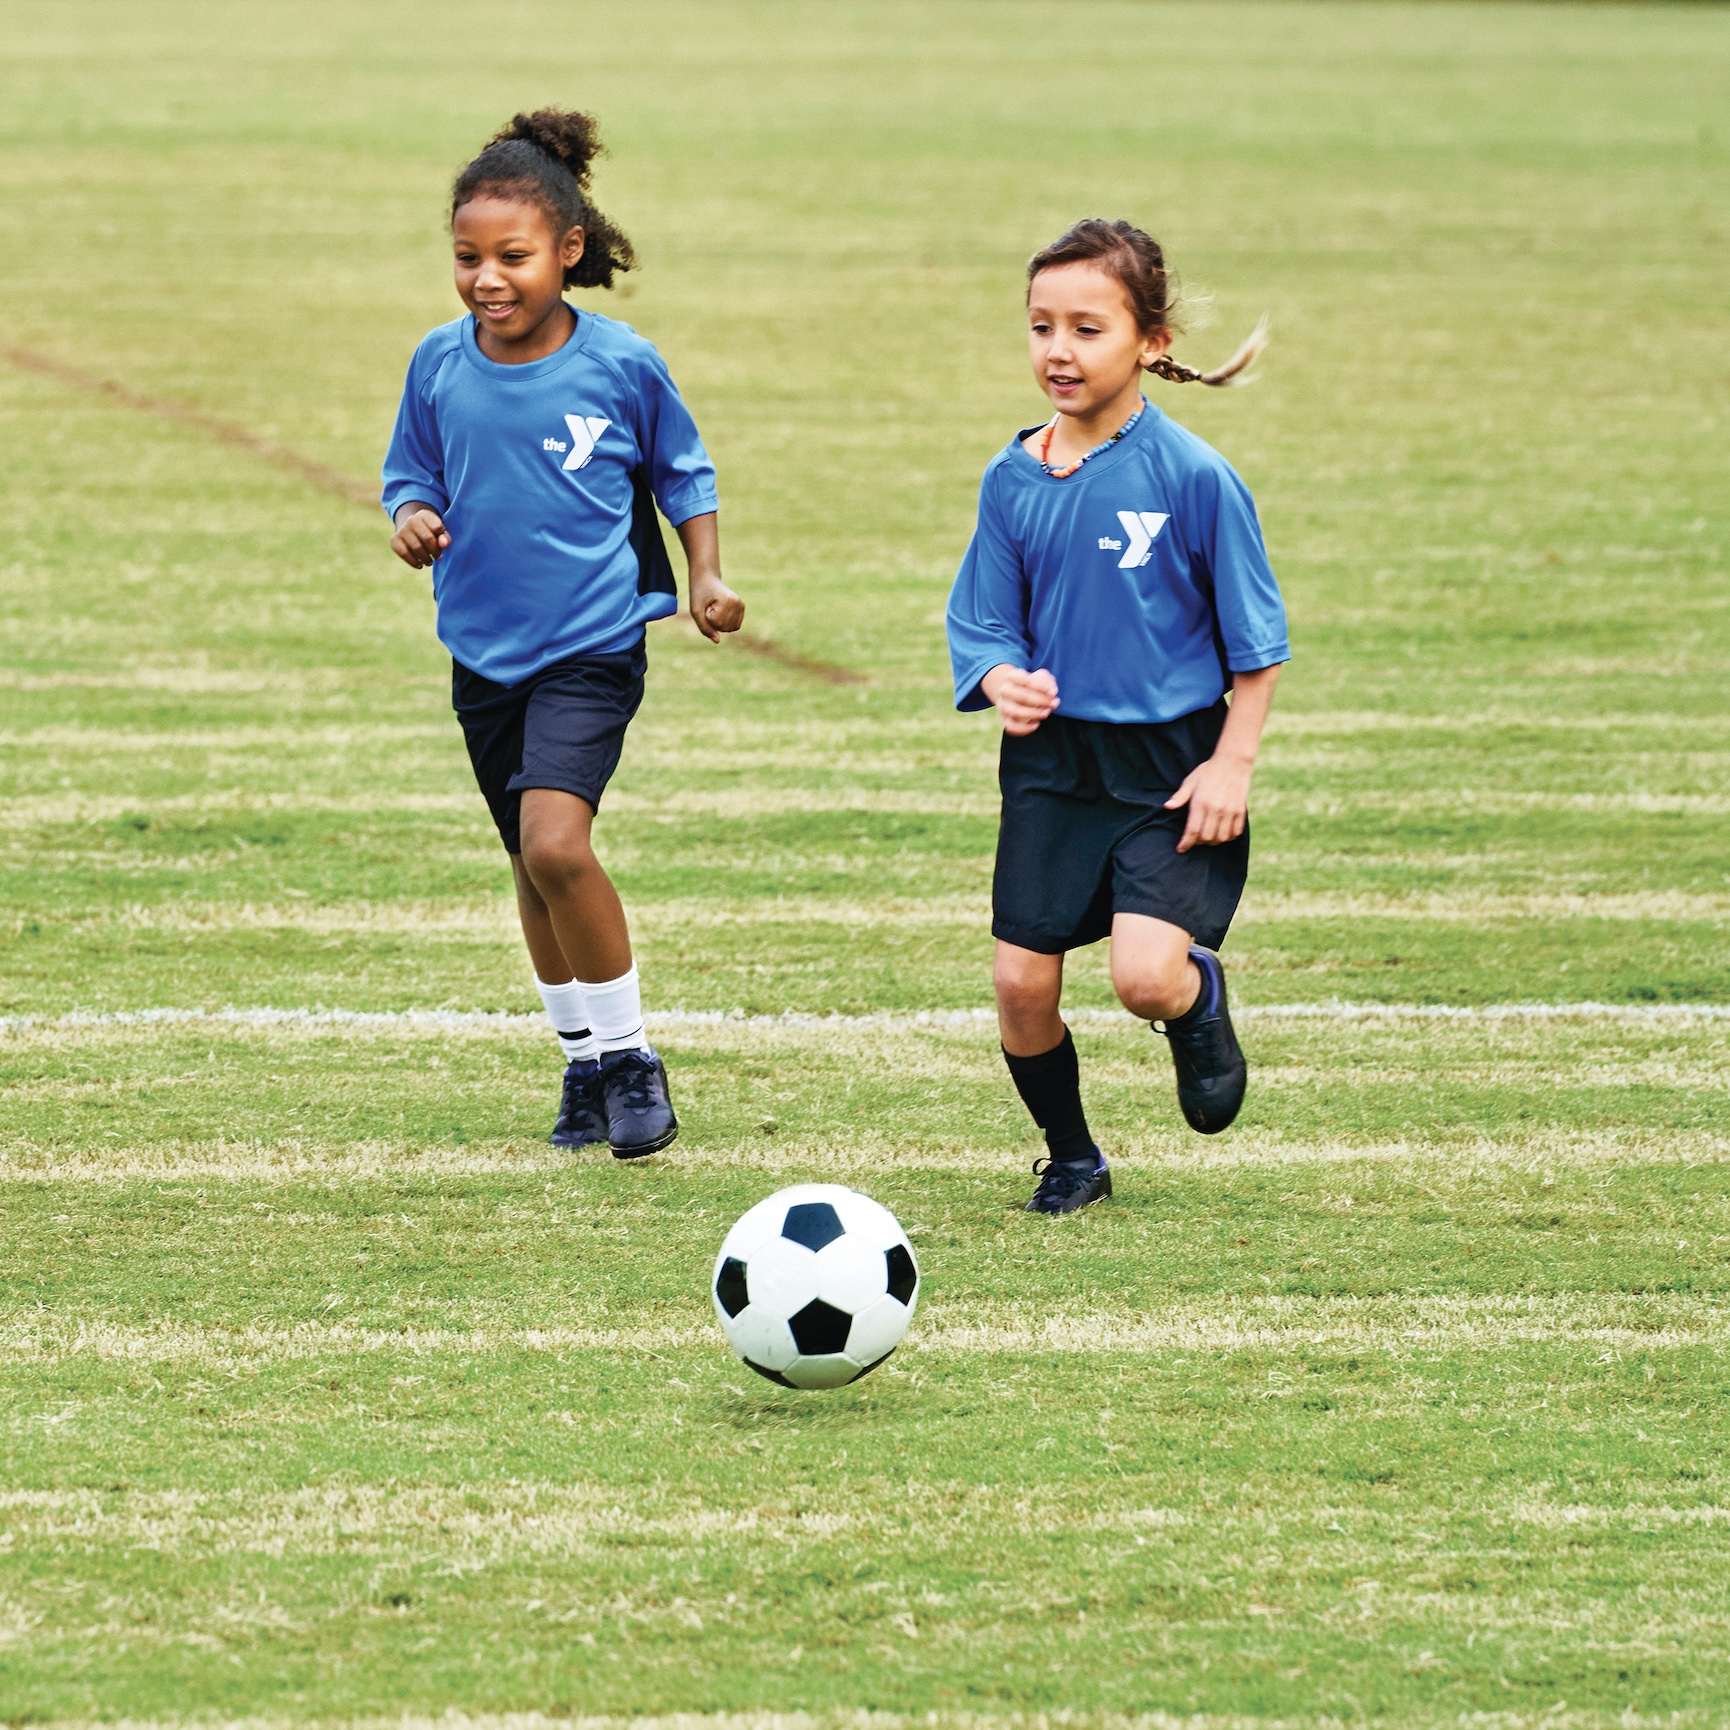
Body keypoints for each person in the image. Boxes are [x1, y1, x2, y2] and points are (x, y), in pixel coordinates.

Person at [381, 109, 744, 1159]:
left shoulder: (620, 365)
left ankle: (632, 1059)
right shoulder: (438, 365)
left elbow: (685, 472)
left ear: (567, 251)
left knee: (556, 843)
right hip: (481, 651)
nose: (486, 278)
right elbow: (411, 469)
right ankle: (580, 1066)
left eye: (512, 256)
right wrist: (409, 518)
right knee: (527, 863)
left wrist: (707, 573)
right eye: (466, 258)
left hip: (591, 640)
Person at [946, 218, 1289, 1215]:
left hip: (1167, 765)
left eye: (1087, 328)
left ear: (1150, 342)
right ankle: (1072, 1157)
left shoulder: (1190, 477)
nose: (1058, 349)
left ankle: (1197, 1001)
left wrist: (1232, 762)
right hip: (1053, 765)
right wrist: (999, 674)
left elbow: (1255, 646)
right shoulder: (1011, 474)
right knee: (1019, 987)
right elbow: (982, 615)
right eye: (1041, 325)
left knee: (1143, 977)